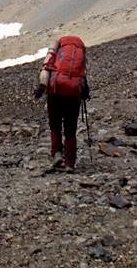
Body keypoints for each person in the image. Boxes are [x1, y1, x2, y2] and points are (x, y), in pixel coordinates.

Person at [33, 36, 89, 172]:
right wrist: (85, 94)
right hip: (73, 96)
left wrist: (40, 90)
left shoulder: (57, 53)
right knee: (70, 131)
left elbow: (46, 70)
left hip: (55, 93)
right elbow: (83, 77)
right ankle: (70, 164)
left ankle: (57, 154)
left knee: (55, 126)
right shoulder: (79, 56)